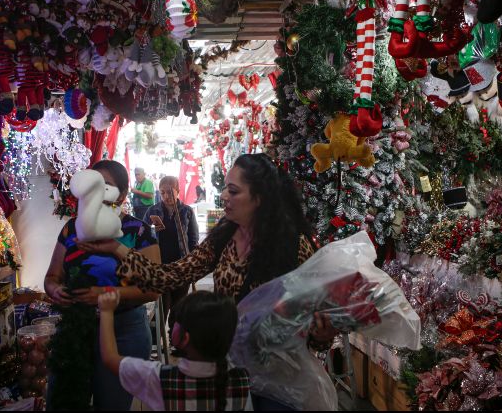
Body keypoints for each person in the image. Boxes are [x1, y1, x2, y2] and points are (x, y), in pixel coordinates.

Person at [76, 153, 337, 410]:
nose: (223, 195)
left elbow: (312, 323)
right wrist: (116, 249)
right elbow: (170, 276)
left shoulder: (294, 247)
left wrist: (322, 336)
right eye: (225, 187)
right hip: (230, 377)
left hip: (280, 385)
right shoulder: (223, 237)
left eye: (233, 191)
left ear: (259, 198)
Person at [44, 160, 160, 411]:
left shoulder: (138, 231)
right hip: (75, 328)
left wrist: (106, 294)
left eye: (105, 186)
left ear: (123, 193)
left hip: (124, 332)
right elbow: (52, 277)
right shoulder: (72, 228)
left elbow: (153, 288)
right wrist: (55, 290)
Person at [98, 289, 251, 411]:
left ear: (185, 338)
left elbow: (110, 358)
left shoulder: (159, 379)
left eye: (177, 320)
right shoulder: (242, 379)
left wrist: (106, 311)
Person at [144, 176, 199, 324]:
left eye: (170, 192)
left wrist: (192, 263)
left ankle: (176, 340)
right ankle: (158, 340)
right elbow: (143, 237)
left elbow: (193, 239)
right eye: (162, 193)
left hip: (181, 266)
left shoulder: (187, 211)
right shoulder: (152, 211)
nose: (166, 196)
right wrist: (153, 230)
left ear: (178, 191)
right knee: (163, 306)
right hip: (161, 266)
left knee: (179, 306)